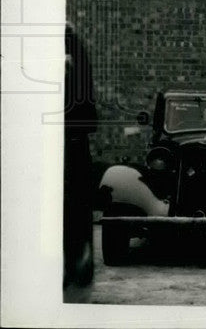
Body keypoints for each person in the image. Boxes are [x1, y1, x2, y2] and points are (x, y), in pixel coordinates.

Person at [64, 22, 97, 298]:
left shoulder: (69, 42)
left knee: (75, 205)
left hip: (70, 137)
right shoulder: (71, 42)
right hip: (70, 135)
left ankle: (78, 265)